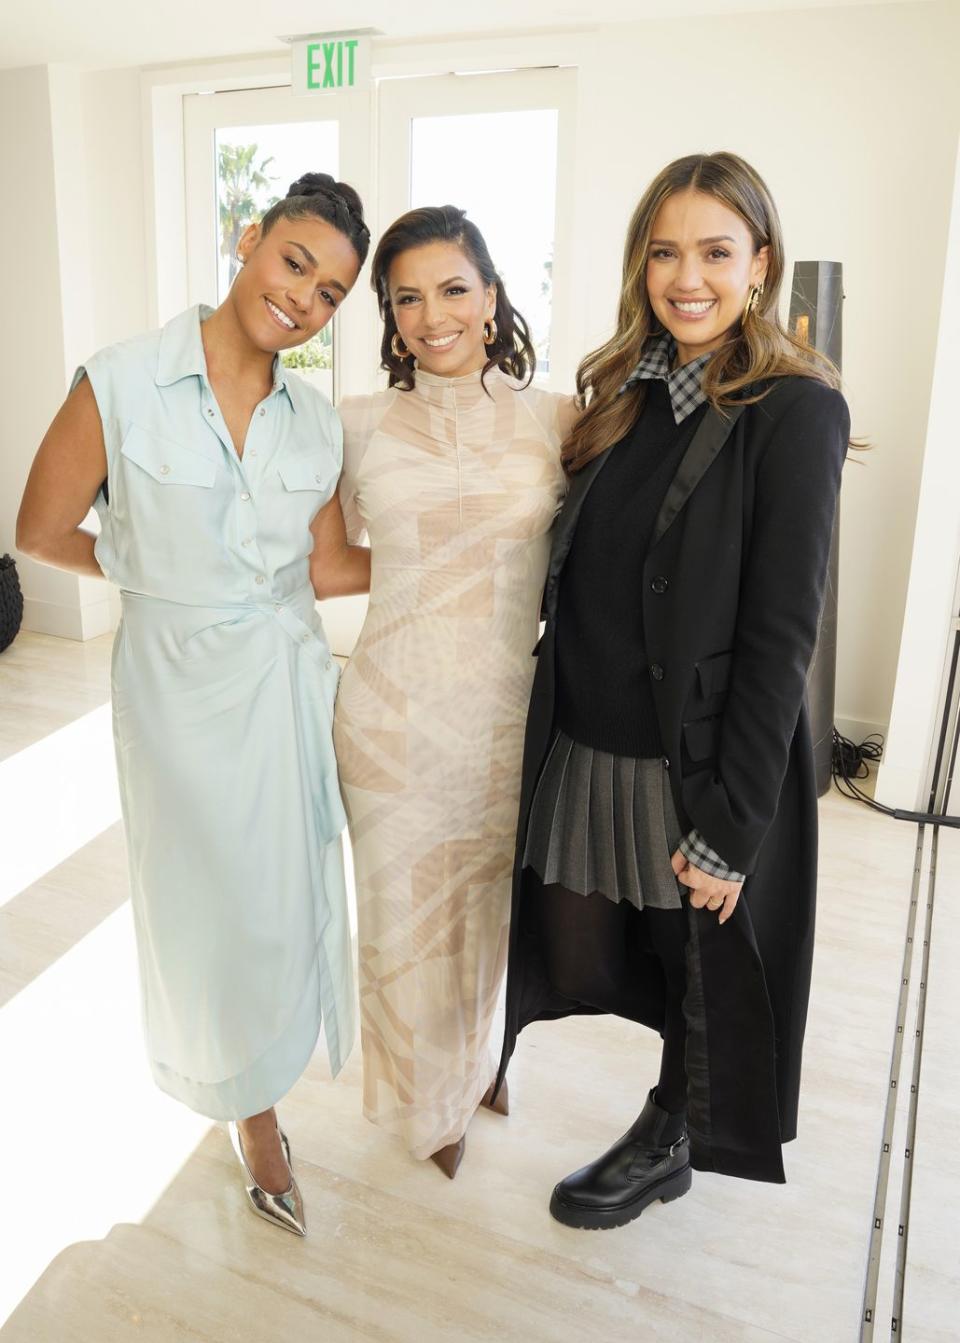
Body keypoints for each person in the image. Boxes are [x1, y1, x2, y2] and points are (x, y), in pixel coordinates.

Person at [494, 151, 852, 1229]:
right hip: (590, 743)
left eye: (713, 250)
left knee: (698, 966)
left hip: (694, 761)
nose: (685, 276)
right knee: (586, 945)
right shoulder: (620, 396)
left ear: (760, 265)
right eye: (664, 251)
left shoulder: (795, 411)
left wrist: (736, 825)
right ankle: (664, 1098)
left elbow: (784, 633)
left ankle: (673, 1125)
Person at [16, 172, 371, 1237]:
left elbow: (325, 566)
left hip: (282, 682)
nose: (303, 299)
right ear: (251, 240)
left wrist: (456, 544)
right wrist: (147, 564)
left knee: (277, 894)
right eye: (295, 262)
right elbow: (40, 528)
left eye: (331, 293)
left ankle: (264, 1075)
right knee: (202, 902)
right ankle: (250, 1114)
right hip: (174, 693)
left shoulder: (314, 423)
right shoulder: (119, 381)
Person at [321, 206, 574, 1178]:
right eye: (407, 297)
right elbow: (329, 564)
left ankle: (483, 1056)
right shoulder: (355, 424)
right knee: (402, 914)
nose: (433, 315)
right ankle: (435, 1103)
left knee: (492, 909)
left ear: (493, 296)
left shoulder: (558, 418)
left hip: (510, 714)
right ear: (388, 315)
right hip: (390, 714)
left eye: (453, 289)